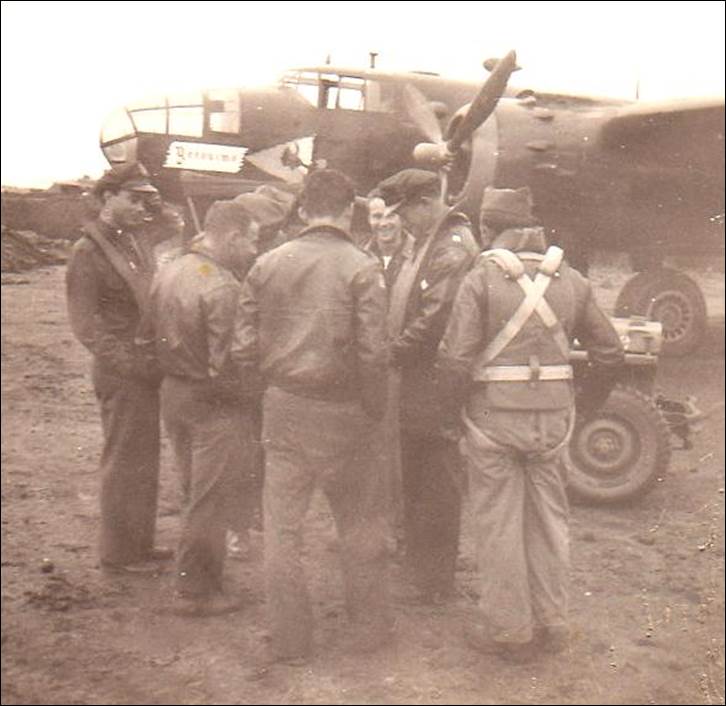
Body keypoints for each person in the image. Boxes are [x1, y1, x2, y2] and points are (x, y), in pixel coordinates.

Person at [437, 185, 624, 661]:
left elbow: (456, 360)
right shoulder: (571, 279)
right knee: (550, 522)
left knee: (498, 524)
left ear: (487, 229)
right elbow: (609, 351)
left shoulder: (480, 279)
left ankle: (510, 631)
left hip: (492, 421)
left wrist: (449, 417)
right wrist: (583, 403)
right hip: (554, 423)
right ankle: (553, 621)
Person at [231, 169, 391, 663]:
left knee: (282, 529)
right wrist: (372, 408)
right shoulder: (363, 268)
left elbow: (242, 348)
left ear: (302, 210)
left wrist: (265, 395)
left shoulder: (266, 264)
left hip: (284, 407)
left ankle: (291, 639)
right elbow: (374, 352)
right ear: (348, 213)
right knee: (359, 523)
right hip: (345, 410)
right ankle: (367, 629)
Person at [145, 200, 261, 616]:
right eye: (251, 240)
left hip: (174, 392)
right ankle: (197, 591)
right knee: (211, 499)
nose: (252, 251)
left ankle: (197, 579)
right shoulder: (223, 286)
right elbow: (229, 363)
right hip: (213, 402)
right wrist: (252, 403)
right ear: (232, 236)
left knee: (194, 490)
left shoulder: (170, 269)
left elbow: (148, 334)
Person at [374, 168, 477, 603]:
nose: (402, 223)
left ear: (424, 204)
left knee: (434, 483)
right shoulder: (431, 243)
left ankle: (432, 582)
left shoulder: (450, 247)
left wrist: (392, 353)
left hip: (432, 384)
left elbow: (435, 318)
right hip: (418, 383)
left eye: (405, 213)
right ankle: (423, 571)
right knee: (418, 478)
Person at [65, 162, 173, 574]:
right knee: (124, 459)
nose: (139, 207)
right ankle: (118, 552)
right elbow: (85, 325)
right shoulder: (88, 251)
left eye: (143, 200)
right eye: (131, 198)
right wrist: (130, 364)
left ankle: (139, 544)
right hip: (121, 369)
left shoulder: (133, 237)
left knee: (144, 457)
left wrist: (154, 201)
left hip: (144, 365)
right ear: (106, 198)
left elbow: (172, 221)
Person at [365, 195, 408, 288]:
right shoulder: (361, 257)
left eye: (390, 216)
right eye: (377, 216)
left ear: (402, 218)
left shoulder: (419, 253)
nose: (384, 223)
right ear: (369, 219)